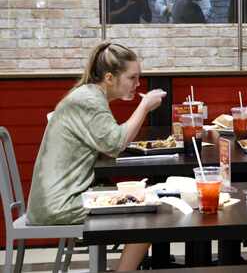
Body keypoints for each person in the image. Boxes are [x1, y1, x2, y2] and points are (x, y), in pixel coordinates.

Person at [27, 42, 166, 271]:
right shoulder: (89, 100)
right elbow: (115, 144)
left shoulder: (89, 96)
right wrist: (144, 106)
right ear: (110, 78)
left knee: (141, 200)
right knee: (147, 216)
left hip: (62, 197)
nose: (138, 84)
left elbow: (107, 142)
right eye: (132, 78)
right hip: (60, 204)